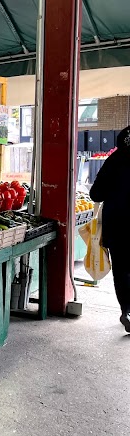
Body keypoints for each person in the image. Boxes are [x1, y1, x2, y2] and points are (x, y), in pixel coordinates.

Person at [89, 125, 130, 332]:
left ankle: (127, 310)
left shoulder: (113, 161)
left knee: (122, 270)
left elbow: (95, 194)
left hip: (117, 227)